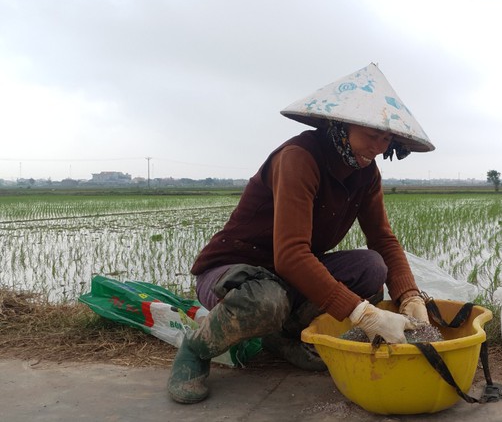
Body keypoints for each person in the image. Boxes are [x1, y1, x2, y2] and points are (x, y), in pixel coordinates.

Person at [167, 63, 436, 404]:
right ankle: (195, 349)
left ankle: (283, 336)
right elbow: (291, 255)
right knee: (266, 300)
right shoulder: (300, 158)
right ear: (342, 125)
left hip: (283, 275)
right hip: (234, 272)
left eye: (386, 139)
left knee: (371, 267)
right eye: (371, 135)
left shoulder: (365, 173)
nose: (379, 148)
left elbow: (382, 239)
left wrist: (410, 296)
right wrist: (363, 313)